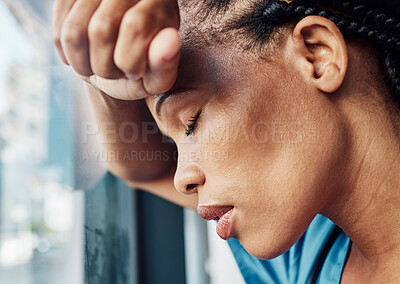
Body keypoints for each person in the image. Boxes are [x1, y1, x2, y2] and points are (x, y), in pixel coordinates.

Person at [52, 0, 400, 282]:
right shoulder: (310, 256)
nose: (181, 178)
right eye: (175, 142)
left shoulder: (308, 257)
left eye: (191, 122)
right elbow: (139, 169)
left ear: (317, 55)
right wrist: (99, 77)